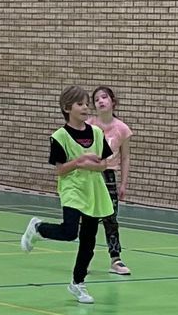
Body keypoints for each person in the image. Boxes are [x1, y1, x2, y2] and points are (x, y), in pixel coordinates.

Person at [20, 84, 112, 302]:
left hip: (93, 190)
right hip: (72, 188)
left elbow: (103, 164)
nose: (86, 107)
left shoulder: (96, 133)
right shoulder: (59, 137)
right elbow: (60, 170)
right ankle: (38, 228)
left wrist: (92, 164)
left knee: (88, 241)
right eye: (80, 104)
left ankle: (77, 283)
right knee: (70, 231)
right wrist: (79, 161)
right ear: (67, 108)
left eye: (87, 104)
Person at [92, 84, 132, 276]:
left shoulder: (122, 129)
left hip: (108, 176)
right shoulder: (89, 125)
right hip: (90, 174)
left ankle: (115, 259)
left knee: (111, 218)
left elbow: (125, 157)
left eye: (104, 97)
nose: (100, 101)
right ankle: (84, 258)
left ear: (113, 102)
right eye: (96, 99)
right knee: (88, 219)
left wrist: (123, 183)